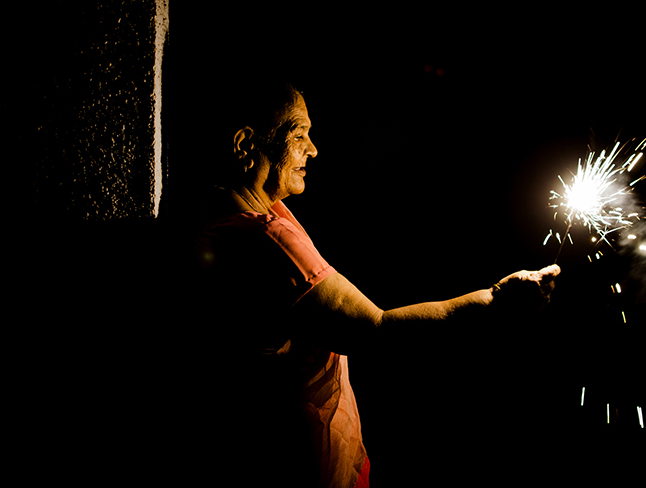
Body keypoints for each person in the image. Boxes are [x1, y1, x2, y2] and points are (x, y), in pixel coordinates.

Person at [185, 81, 561, 488]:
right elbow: (377, 332)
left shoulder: (220, 208)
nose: (313, 150)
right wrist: (496, 301)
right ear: (244, 145)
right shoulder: (266, 240)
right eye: (298, 136)